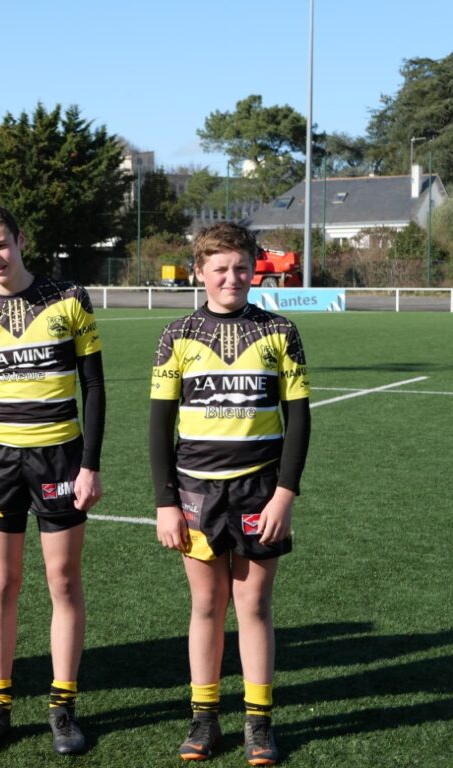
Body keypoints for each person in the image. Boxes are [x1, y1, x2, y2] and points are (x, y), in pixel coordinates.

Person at [149, 222, 310, 766]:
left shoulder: (280, 331)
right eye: (219, 268)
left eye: (241, 267)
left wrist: (284, 495)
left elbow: (299, 420)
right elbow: (159, 426)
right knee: (206, 605)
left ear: (253, 270)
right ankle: (204, 719)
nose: (232, 277)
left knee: (255, 605)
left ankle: (258, 724)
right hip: (196, 492)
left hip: (260, 490)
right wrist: (165, 502)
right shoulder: (177, 334)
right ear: (200, 272)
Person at [0, 203, 105, 756]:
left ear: (20, 241)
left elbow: (94, 386)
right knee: (1, 582)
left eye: (0, 245)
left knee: (62, 581)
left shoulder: (69, 297)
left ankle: (62, 707)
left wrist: (90, 464)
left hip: (60, 459)